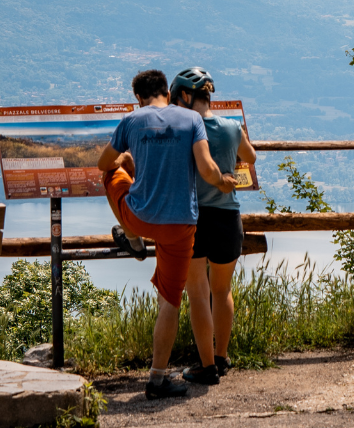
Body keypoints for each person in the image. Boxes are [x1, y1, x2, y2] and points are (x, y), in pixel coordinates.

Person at [97, 69, 238, 400]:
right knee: (170, 302)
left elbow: (105, 161)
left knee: (111, 176)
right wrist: (222, 182)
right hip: (180, 226)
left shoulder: (132, 120)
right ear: (167, 91)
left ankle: (131, 233)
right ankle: (157, 380)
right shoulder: (191, 121)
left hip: (142, 217)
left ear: (138, 98)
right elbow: (205, 168)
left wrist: (126, 158)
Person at [170, 67, 255, 382]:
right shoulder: (232, 127)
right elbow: (251, 157)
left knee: (197, 291)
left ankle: (206, 368)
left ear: (184, 96)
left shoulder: (184, 129)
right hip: (228, 217)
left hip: (194, 218)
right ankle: (221, 358)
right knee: (222, 290)